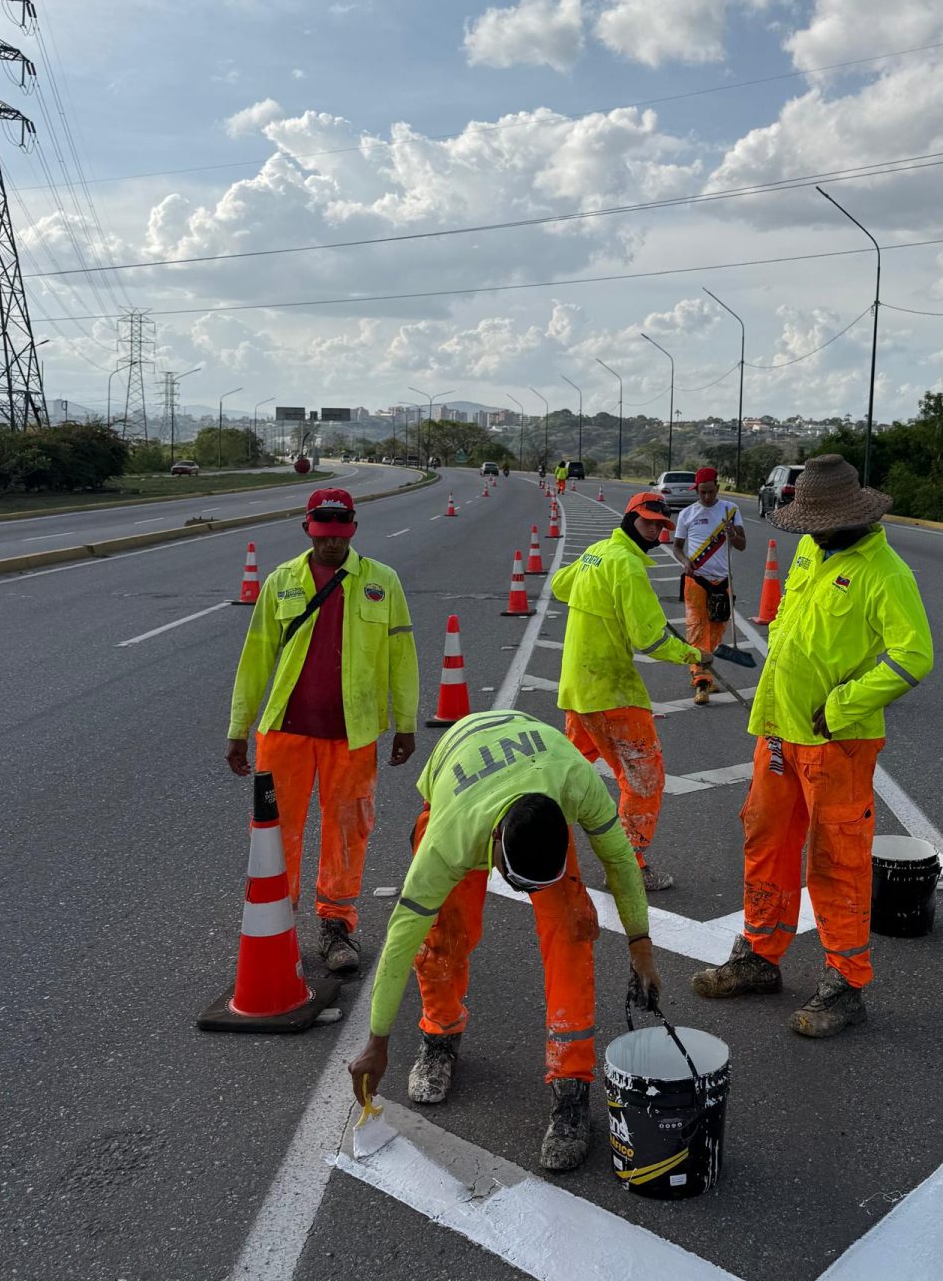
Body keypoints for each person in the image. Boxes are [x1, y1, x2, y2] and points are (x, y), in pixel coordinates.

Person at [348, 709, 661, 1173]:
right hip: (461, 778)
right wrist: (377, 1040)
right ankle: (440, 1034)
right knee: (441, 937)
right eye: (516, 882)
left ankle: (572, 1086)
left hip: (537, 769)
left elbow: (619, 860)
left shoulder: (577, 781)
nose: (526, 896)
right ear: (494, 844)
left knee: (573, 929)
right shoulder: (448, 841)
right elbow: (400, 936)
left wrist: (641, 944)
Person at [692, 454, 933, 1037]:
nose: (810, 532)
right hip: (778, 729)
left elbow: (913, 656)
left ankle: (845, 983)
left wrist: (845, 704)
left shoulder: (885, 572)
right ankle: (759, 955)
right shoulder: (811, 551)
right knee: (765, 840)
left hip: (837, 740)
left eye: (818, 523)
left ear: (850, 516)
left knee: (837, 859)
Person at [226, 487, 418, 974]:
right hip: (284, 732)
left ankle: (337, 925)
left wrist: (406, 723)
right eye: (322, 533)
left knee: (348, 832)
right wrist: (239, 727)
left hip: (351, 735)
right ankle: (276, 924)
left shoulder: (382, 582)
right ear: (308, 529)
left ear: (352, 530)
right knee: (275, 834)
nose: (331, 543)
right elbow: (255, 658)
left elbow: (402, 657)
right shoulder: (281, 581)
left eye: (340, 533)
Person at [551, 490, 709, 894]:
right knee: (644, 780)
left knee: (566, 779)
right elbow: (650, 639)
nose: (655, 530)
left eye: (661, 525)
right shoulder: (627, 566)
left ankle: (538, 845)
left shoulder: (597, 553)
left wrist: (603, 603)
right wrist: (696, 655)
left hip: (578, 689)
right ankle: (629, 867)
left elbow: (560, 586)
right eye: (649, 521)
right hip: (611, 693)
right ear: (630, 518)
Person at [671, 465, 746, 705]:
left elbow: (742, 544)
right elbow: (677, 547)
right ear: (697, 490)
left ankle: (706, 673)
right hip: (696, 580)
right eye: (701, 492)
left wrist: (732, 533)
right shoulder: (687, 514)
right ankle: (701, 683)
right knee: (696, 630)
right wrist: (685, 563)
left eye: (710, 492)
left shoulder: (730, 511)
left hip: (722, 582)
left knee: (715, 632)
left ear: (717, 488)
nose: (706, 497)